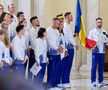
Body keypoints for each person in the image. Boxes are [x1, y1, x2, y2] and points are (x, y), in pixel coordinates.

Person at [88, 18, 108, 88]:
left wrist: (106, 42)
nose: (100, 23)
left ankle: (101, 81)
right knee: (94, 66)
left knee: (101, 67)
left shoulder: (104, 31)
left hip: (102, 52)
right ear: (96, 23)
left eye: (101, 22)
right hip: (95, 51)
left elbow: (106, 40)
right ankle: (93, 81)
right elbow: (89, 41)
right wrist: (94, 43)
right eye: (98, 22)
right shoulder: (92, 31)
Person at [46, 17, 63, 90]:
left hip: (58, 53)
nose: (59, 25)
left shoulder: (57, 31)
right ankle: (50, 85)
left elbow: (60, 40)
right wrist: (57, 48)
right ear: (53, 22)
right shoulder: (48, 30)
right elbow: (50, 42)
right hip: (52, 52)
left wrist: (61, 46)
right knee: (51, 69)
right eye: (57, 23)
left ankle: (55, 84)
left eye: (59, 24)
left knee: (56, 69)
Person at [62, 12, 78, 88]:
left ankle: (67, 80)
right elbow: (67, 38)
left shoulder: (68, 25)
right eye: (71, 16)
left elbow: (70, 36)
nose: (72, 17)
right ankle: (64, 81)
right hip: (68, 48)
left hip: (70, 47)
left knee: (69, 65)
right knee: (66, 65)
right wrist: (75, 44)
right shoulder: (65, 26)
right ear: (67, 17)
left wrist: (74, 35)